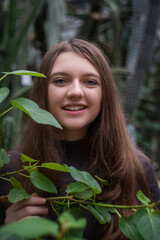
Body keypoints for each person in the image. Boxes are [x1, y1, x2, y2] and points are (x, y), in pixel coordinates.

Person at [0, 38, 160, 240]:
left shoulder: (136, 168)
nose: (75, 91)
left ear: (105, 94)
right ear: (43, 91)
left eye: (90, 82)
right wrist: (9, 233)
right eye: (60, 80)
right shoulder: (10, 169)